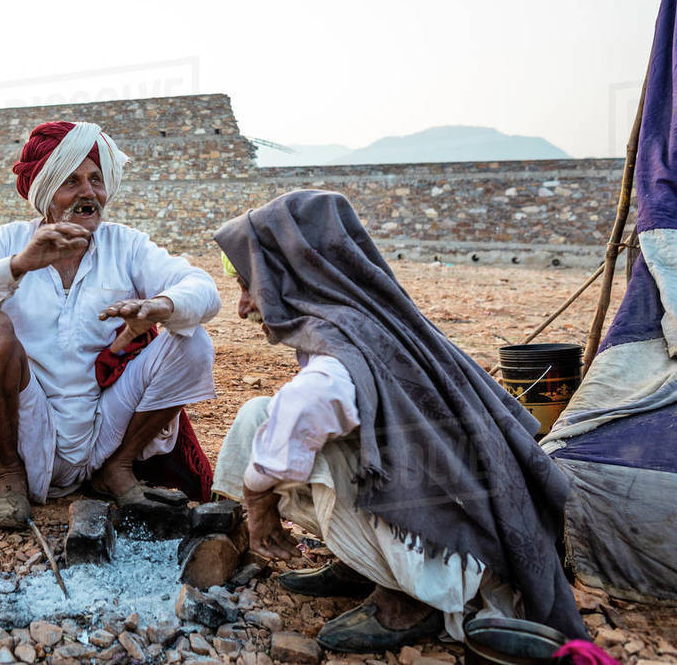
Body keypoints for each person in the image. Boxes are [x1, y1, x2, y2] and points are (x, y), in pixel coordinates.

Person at [211, 190, 584, 652]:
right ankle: (362, 566)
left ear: (289, 276)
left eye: (249, 286)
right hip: (466, 517)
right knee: (260, 416)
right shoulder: (375, 320)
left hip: (451, 547)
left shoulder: (332, 367)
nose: (244, 306)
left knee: (284, 438)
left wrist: (258, 506)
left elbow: (298, 423)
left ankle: (410, 599)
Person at [0, 121, 220, 529]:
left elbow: (203, 288)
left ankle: (117, 468)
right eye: (71, 181)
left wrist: (161, 305)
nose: (89, 193)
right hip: (29, 420)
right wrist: (18, 265)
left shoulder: (125, 245)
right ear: (44, 193)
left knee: (194, 342)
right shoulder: (8, 242)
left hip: (106, 421)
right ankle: (9, 475)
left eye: (96, 180)